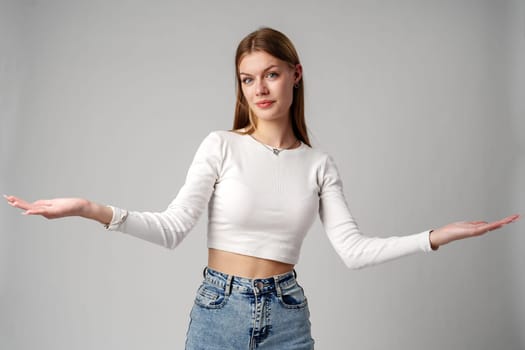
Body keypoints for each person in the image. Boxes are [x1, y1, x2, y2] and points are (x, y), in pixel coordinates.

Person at [4, 27, 519, 349]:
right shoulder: (220, 146)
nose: (260, 89)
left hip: (288, 315)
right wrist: (89, 208)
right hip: (217, 311)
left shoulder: (319, 164)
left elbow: (355, 251)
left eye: (271, 74)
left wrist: (436, 235)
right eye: (248, 79)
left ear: (295, 74)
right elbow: (171, 229)